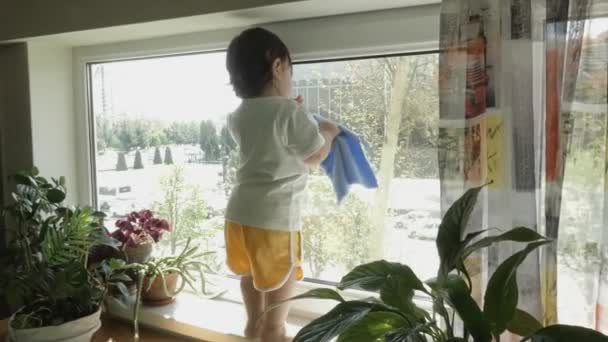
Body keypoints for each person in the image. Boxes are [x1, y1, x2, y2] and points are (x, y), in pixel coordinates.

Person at [224, 27, 340, 342]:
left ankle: (252, 327)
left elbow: (269, 136)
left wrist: (292, 110)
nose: (290, 77)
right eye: (290, 70)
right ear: (277, 67)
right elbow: (314, 155)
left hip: (239, 214)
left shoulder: (238, 115)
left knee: (251, 272)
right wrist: (328, 132)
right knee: (280, 289)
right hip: (273, 217)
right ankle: (272, 331)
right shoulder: (288, 111)